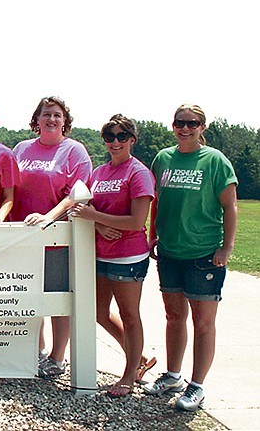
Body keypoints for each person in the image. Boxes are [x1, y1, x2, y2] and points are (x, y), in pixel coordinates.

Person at [143, 105, 237, 411]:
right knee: (174, 317)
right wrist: (153, 234)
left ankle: (196, 386)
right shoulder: (163, 159)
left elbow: (230, 207)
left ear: (202, 126)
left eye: (192, 123)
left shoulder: (215, 161)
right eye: (180, 123)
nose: (185, 128)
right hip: (170, 250)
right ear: (173, 126)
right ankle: (172, 375)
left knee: (203, 322)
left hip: (204, 253)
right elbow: (158, 199)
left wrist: (226, 248)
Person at [70, 114, 156, 397]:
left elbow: (136, 221)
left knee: (129, 315)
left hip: (128, 256)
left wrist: (95, 216)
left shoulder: (138, 173)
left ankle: (129, 376)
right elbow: (85, 212)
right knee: (98, 313)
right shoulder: (100, 172)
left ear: (132, 139)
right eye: (109, 136)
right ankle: (139, 359)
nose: (115, 142)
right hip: (100, 253)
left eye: (121, 136)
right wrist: (98, 223)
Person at [11, 96, 92, 378]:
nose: (51, 120)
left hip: (57, 236)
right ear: (37, 119)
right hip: (23, 236)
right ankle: (37, 350)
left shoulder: (74, 151)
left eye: (57, 115)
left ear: (65, 121)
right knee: (31, 295)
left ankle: (58, 358)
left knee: (57, 297)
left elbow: (77, 194)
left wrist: (49, 216)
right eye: (46, 114)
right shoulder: (21, 149)